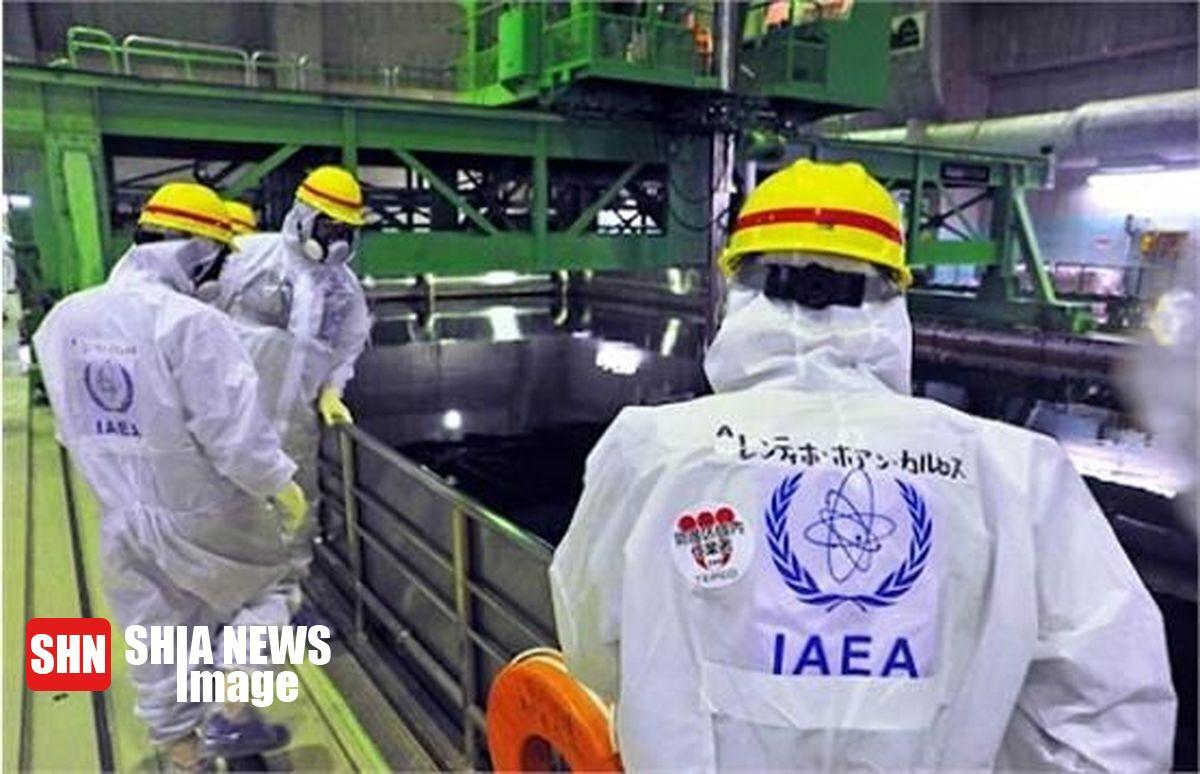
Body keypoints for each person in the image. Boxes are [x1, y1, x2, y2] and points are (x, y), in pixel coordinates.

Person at [549, 159, 1177, 771]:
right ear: (892, 298)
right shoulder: (1016, 474)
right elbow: (1116, 714)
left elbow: (591, 649)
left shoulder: (651, 452)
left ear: (741, 291)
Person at [33, 182, 309, 771]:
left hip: (119, 512)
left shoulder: (63, 320)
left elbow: (70, 426)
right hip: (204, 508)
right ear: (197, 253)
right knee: (269, 593)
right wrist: (279, 484)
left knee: (157, 631)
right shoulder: (190, 323)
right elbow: (233, 436)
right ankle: (233, 713)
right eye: (219, 260)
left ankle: (184, 755)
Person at [214, 166, 370, 612]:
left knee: (297, 513)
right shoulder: (248, 257)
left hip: (295, 425)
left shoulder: (344, 290)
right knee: (226, 506)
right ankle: (222, 599)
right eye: (330, 227)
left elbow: (348, 345)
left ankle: (283, 604)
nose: (338, 240)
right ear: (303, 217)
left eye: (346, 231)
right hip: (234, 418)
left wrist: (333, 389)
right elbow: (199, 321)